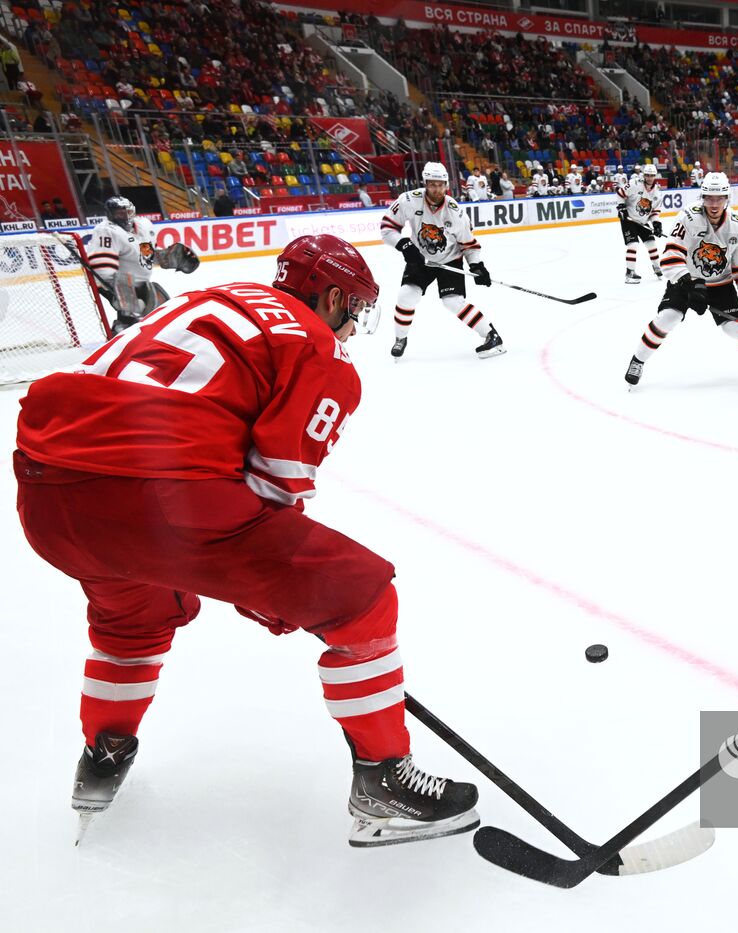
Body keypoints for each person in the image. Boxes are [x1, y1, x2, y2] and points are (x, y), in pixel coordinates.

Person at [13, 234, 480, 846]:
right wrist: (270, 585)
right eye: (356, 313)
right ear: (334, 296)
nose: (351, 330)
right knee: (360, 600)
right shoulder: (313, 344)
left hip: (47, 495)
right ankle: (384, 781)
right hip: (162, 497)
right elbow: (275, 481)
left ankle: (100, 761)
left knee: (132, 622)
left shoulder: (207, 300)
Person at [623, 172, 738, 390]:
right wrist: (687, 282)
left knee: (734, 328)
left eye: (719, 198)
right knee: (668, 317)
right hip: (687, 279)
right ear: (702, 197)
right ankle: (637, 361)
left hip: (721, 284)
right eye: (709, 198)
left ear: (727, 198)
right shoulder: (688, 217)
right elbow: (671, 256)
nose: (714, 204)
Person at [378, 161, 503, 361]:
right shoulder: (408, 200)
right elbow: (387, 228)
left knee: (452, 302)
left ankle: (491, 335)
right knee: (406, 295)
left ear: (447, 185)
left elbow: (468, 243)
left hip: (450, 259)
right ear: (425, 183)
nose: (436, 189)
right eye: (432, 184)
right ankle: (400, 338)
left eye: (440, 184)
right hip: (420, 259)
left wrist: (477, 266)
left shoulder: (454, 211)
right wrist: (404, 245)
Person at [86, 196, 200, 332]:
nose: (125, 216)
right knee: (133, 313)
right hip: (112, 281)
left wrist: (163, 257)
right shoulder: (106, 231)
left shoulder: (142, 226)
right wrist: (120, 292)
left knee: (156, 310)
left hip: (137, 281)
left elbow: (145, 252)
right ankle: (121, 337)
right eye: (120, 213)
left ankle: (124, 329)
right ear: (110, 214)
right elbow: (101, 267)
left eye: (128, 211)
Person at [618, 163, 664, 284]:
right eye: (647, 175)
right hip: (629, 219)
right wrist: (621, 208)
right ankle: (630, 273)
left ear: (655, 176)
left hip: (642, 222)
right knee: (633, 245)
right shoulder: (634, 184)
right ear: (644, 175)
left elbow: (654, 212)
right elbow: (620, 194)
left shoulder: (657, 194)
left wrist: (657, 224)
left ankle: (657, 267)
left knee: (652, 244)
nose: (649, 178)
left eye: (652, 175)